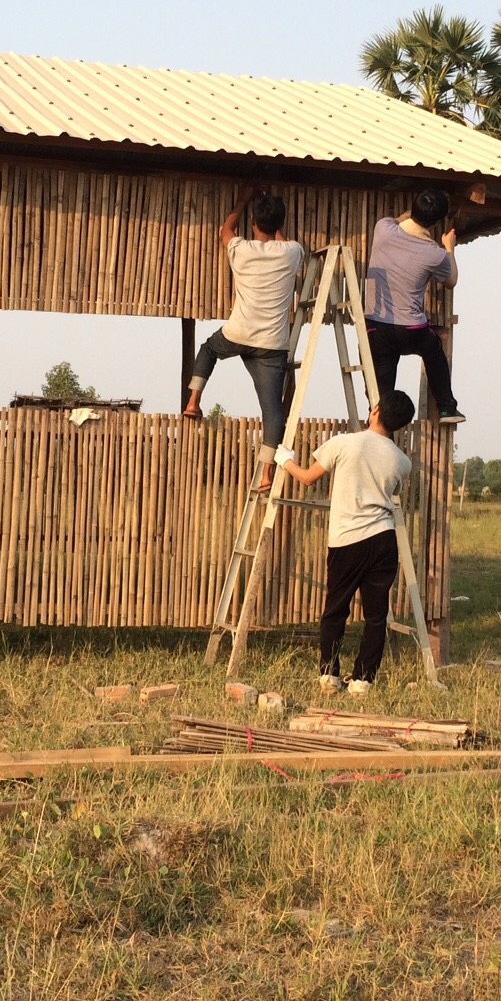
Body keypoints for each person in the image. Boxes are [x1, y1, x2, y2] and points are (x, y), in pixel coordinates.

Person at [275, 390, 415, 694]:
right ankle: (363, 680)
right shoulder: (402, 461)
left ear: (375, 410)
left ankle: (329, 675)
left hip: (347, 539)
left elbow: (309, 477)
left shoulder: (343, 442)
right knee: (377, 614)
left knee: (336, 608)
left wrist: (285, 460)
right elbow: (393, 491)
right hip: (383, 539)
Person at [183, 185, 304, 490]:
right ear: (280, 225)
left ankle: (193, 402)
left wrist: (242, 201)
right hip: (271, 343)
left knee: (208, 350)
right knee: (272, 411)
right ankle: (265, 474)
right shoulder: (293, 252)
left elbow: (226, 228)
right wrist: (274, 226)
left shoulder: (241, 249)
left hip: (237, 332)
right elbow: (282, 241)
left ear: (253, 225)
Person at [363, 187, 464, 423]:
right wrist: (449, 248)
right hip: (410, 330)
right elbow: (451, 281)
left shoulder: (383, 229)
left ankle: (377, 420)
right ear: (437, 221)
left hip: (376, 326)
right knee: (433, 352)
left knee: (382, 383)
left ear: (413, 209)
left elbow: (399, 219)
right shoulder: (434, 254)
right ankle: (447, 408)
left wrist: (410, 214)